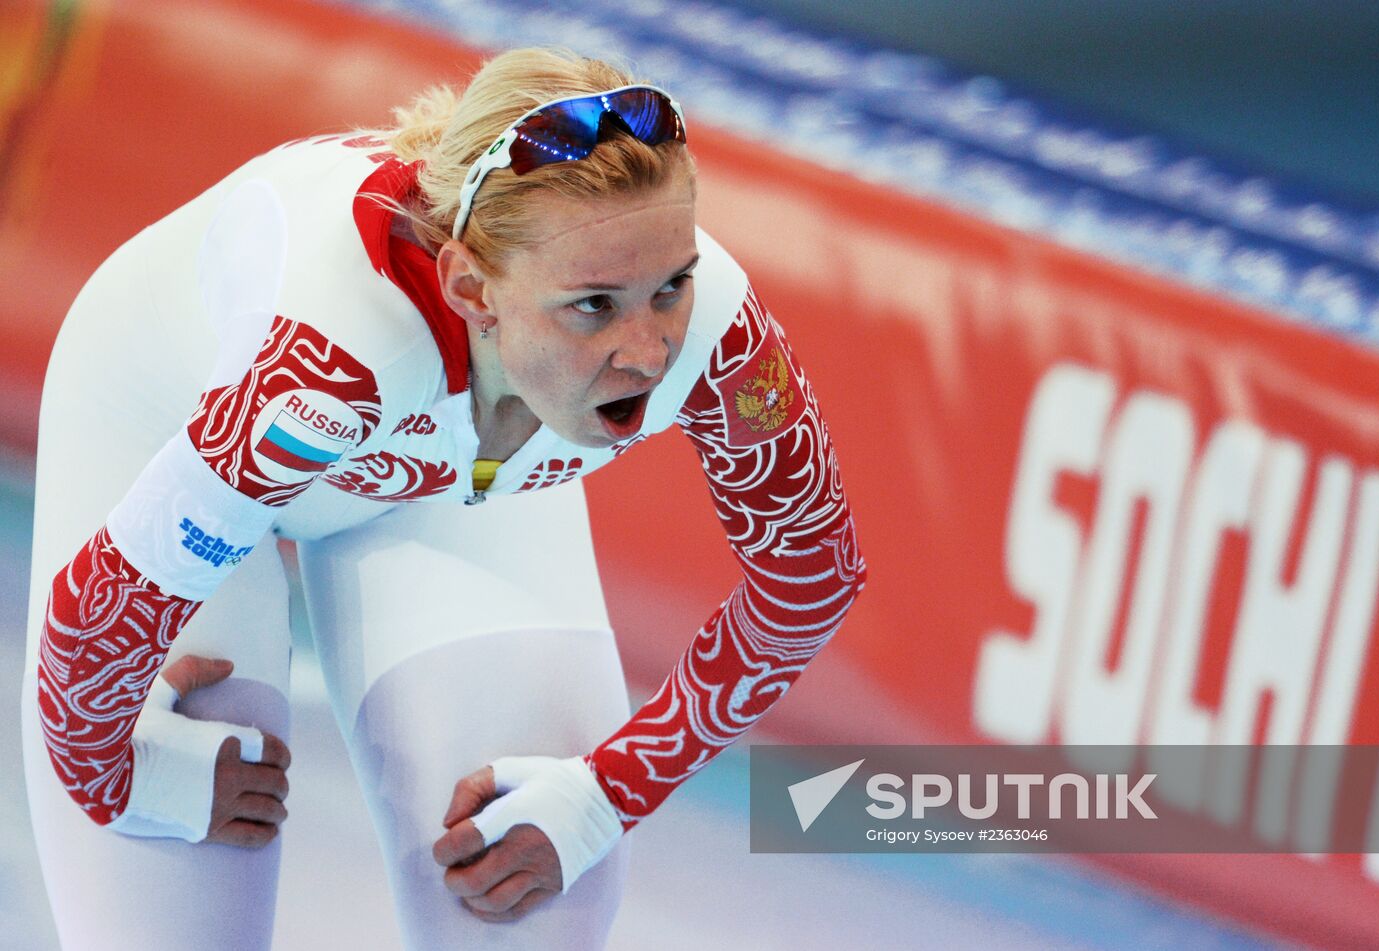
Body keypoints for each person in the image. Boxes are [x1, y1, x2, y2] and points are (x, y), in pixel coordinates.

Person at [20, 46, 865, 950]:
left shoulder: (721, 335)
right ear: (471, 289)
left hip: (456, 481)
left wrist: (610, 790)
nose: (650, 352)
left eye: (670, 288)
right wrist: (113, 769)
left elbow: (811, 577)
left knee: (530, 891)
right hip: (165, 424)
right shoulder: (332, 362)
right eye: (593, 306)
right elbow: (93, 618)